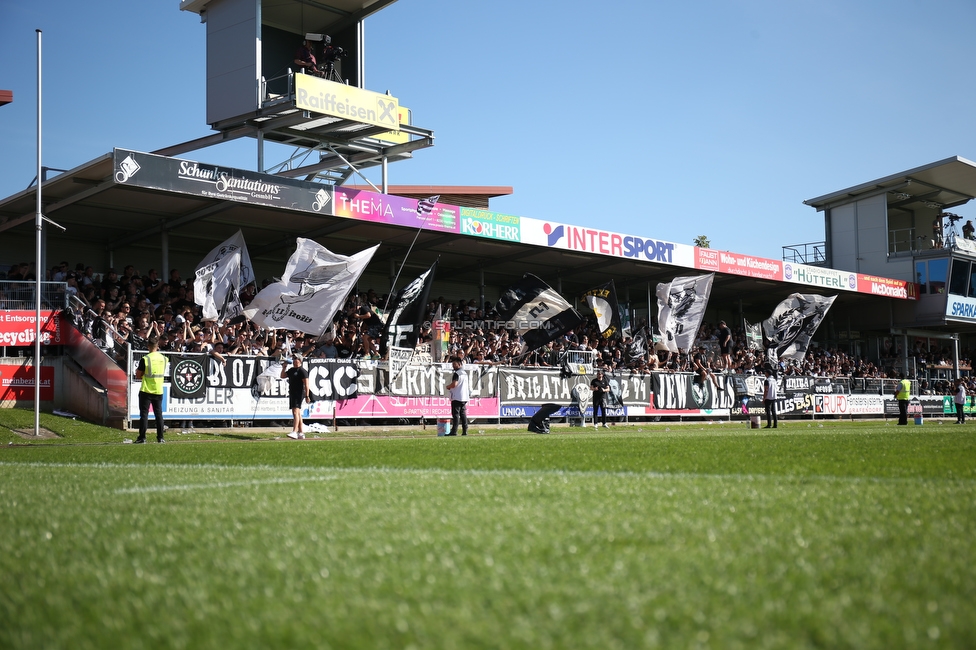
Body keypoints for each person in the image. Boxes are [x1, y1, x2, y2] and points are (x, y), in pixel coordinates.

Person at [135, 335, 168, 443]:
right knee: (159, 415)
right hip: (158, 390)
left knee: (144, 415)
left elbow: (138, 375)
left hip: (146, 389)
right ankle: (161, 438)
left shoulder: (145, 359)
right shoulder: (164, 358)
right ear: (157, 346)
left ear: (148, 346)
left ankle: (142, 438)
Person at [281, 353, 309, 439]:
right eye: (293, 359)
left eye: (295, 359)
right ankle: (301, 432)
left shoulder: (302, 371)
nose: (293, 360)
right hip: (292, 392)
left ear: (299, 360)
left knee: (295, 412)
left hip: (299, 393)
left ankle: (295, 431)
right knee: (298, 413)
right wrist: (284, 367)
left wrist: (307, 395)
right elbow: (282, 376)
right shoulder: (292, 370)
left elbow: (307, 384)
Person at [445, 357, 469, 436]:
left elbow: (454, 384)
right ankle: (465, 430)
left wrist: (448, 386)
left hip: (457, 396)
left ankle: (454, 431)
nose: (453, 366)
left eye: (454, 364)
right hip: (464, 396)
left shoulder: (457, 373)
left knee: (456, 415)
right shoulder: (464, 373)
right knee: (463, 414)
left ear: (459, 364)